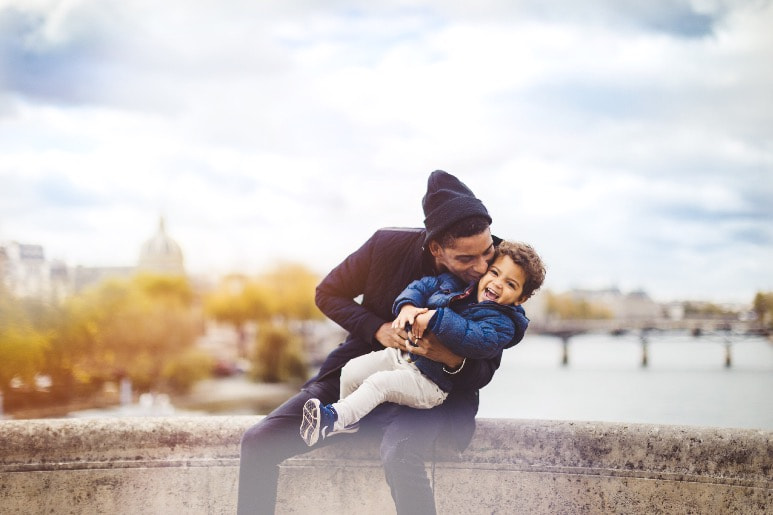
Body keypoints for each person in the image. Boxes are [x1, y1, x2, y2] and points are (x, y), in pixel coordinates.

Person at [238, 170, 510, 515]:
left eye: (487, 251)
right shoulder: (386, 245)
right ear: (436, 248)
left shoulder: (502, 271)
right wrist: (378, 329)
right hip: (362, 371)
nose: (482, 266)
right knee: (257, 442)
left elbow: (486, 369)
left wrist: (450, 358)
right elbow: (327, 293)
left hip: (434, 394)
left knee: (400, 454)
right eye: (466, 259)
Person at [300, 240, 545, 446]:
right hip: (404, 357)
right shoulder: (459, 285)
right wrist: (407, 305)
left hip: (430, 383)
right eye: (494, 273)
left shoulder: (502, 324)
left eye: (510, 284)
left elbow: (475, 339)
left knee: (379, 383)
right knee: (352, 369)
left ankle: (332, 418)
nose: (497, 283)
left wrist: (435, 317)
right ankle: (349, 422)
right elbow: (422, 285)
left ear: (520, 298)